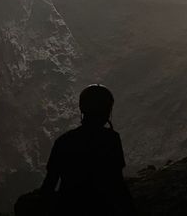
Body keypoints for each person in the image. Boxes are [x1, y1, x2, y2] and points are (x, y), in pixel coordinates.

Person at [39, 84, 134, 215]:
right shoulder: (111, 139)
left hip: (69, 207)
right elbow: (117, 182)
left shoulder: (64, 141)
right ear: (107, 110)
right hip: (103, 207)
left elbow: (49, 184)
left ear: (82, 109)